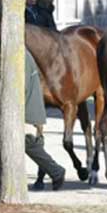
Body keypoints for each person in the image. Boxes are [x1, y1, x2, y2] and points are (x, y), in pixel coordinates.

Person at [23, 49, 65, 190]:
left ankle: (56, 171)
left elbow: (21, 87)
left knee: (28, 143)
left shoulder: (20, 57)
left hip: (27, 111)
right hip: (32, 109)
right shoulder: (25, 55)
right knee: (33, 144)